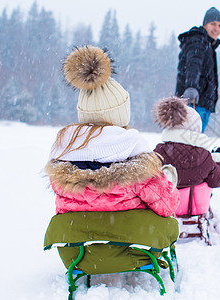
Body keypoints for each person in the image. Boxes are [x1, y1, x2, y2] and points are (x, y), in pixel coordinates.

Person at [45, 45, 180, 217]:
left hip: (79, 241)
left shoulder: (64, 160)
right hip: (128, 241)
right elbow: (169, 205)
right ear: (121, 114)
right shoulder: (137, 162)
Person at [153, 96, 220, 217]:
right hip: (193, 208)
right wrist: (219, 162)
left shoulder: (160, 151)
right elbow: (218, 180)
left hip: (166, 206)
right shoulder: (204, 156)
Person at [175, 7, 220, 133]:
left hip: (203, 102)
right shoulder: (198, 41)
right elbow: (193, 64)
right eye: (213, 24)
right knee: (188, 142)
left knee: (194, 143)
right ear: (205, 24)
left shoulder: (208, 45)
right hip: (193, 101)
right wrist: (191, 87)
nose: (216, 29)